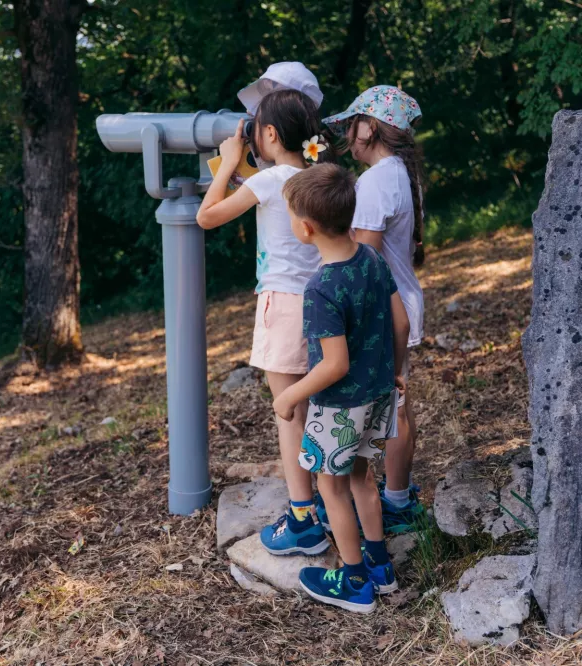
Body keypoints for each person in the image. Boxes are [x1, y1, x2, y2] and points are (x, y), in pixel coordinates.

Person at [197, 89, 337, 557]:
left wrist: (230, 157)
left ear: (270, 134)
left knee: (289, 413)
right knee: (319, 408)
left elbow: (206, 216)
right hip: (322, 301)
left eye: (255, 129)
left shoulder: (270, 179)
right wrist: (246, 173)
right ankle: (332, 504)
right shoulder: (314, 175)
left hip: (283, 305)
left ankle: (303, 517)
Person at [274, 163, 410, 613]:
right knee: (362, 479)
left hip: (339, 408)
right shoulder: (371, 259)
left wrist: (291, 394)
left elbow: (334, 365)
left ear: (307, 228)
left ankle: (353, 581)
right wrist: (398, 368)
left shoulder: (321, 289)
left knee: (330, 489)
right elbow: (401, 321)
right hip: (377, 395)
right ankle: (380, 566)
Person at [323, 86, 426, 533]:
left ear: (369, 127)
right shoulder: (398, 172)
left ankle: (391, 505)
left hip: (383, 310)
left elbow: (362, 261)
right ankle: (398, 496)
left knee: (392, 407)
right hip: (399, 301)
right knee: (399, 403)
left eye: (352, 123)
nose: (348, 133)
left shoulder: (377, 181)